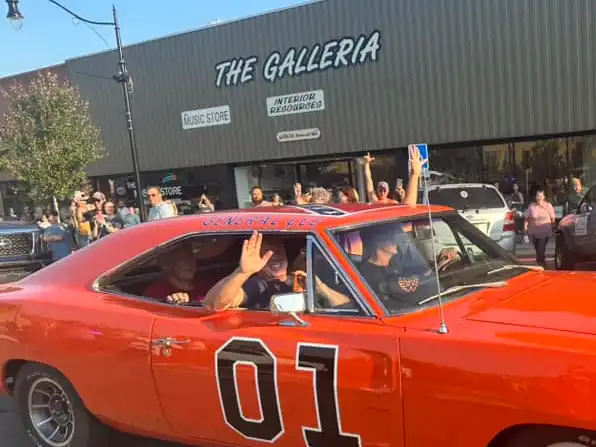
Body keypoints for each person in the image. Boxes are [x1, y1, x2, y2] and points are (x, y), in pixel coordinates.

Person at [203, 232, 350, 311]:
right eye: (266, 253)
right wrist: (242, 272)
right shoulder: (258, 285)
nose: (275, 256)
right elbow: (220, 304)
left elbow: (349, 307)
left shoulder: (302, 278)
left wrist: (320, 288)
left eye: (278, 250)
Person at [143, 245, 214, 304]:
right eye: (182, 258)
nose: (189, 262)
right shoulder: (156, 292)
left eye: (191, 257)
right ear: (166, 264)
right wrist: (172, 302)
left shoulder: (206, 285)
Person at [524, 189, 555, 268]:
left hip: (545, 232)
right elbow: (527, 218)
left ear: (544, 197)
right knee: (538, 251)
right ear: (535, 197)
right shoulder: (531, 206)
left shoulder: (548, 205)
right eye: (537, 195)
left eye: (541, 195)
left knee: (541, 249)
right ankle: (541, 262)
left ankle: (542, 266)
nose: (539, 197)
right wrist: (525, 228)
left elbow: (553, 219)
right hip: (533, 233)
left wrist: (551, 228)